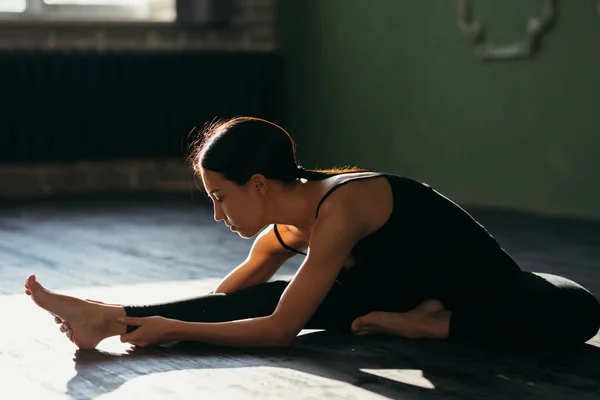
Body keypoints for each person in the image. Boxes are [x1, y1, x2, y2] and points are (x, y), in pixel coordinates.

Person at [25, 116, 600, 351]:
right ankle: (108, 316)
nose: (217, 215)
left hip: (490, 294)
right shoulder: (281, 232)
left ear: (257, 183)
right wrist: (134, 317)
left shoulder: (343, 206)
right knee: (277, 290)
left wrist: (174, 327)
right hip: (396, 292)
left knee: (578, 310)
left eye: (219, 198)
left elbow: (279, 332)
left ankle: (434, 324)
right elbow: (232, 302)